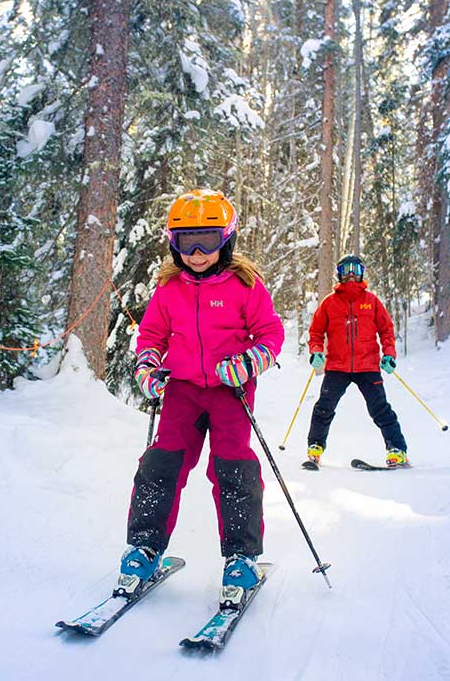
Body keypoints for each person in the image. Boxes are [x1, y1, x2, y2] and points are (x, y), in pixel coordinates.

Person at [115, 189, 284, 607]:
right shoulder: (169, 287)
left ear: (226, 239)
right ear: (173, 243)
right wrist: (147, 367)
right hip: (182, 391)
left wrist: (248, 363)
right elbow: (151, 336)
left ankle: (241, 558)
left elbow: (270, 335)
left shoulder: (245, 285)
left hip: (230, 392)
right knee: (161, 464)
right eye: (185, 241)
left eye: (207, 241)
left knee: (233, 468)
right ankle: (144, 548)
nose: (196, 253)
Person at [305, 254, 408, 468]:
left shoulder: (372, 302)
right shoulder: (329, 303)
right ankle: (315, 447)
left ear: (362, 273)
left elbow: (386, 330)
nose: (351, 274)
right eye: (346, 270)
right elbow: (316, 332)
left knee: (380, 409)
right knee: (324, 408)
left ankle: (397, 449)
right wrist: (316, 352)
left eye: (356, 269)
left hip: (367, 366)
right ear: (339, 274)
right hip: (337, 366)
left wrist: (389, 354)